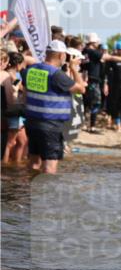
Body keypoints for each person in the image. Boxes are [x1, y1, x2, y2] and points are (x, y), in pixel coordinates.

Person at [23, 40, 86, 174]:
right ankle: (46, 194)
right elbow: (81, 89)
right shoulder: (57, 75)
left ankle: (29, 190)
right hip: (50, 126)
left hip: (32, 122)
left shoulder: (31, 70)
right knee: (49, 166)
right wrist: (74, 68)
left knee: (34, 163)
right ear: (60, 56)